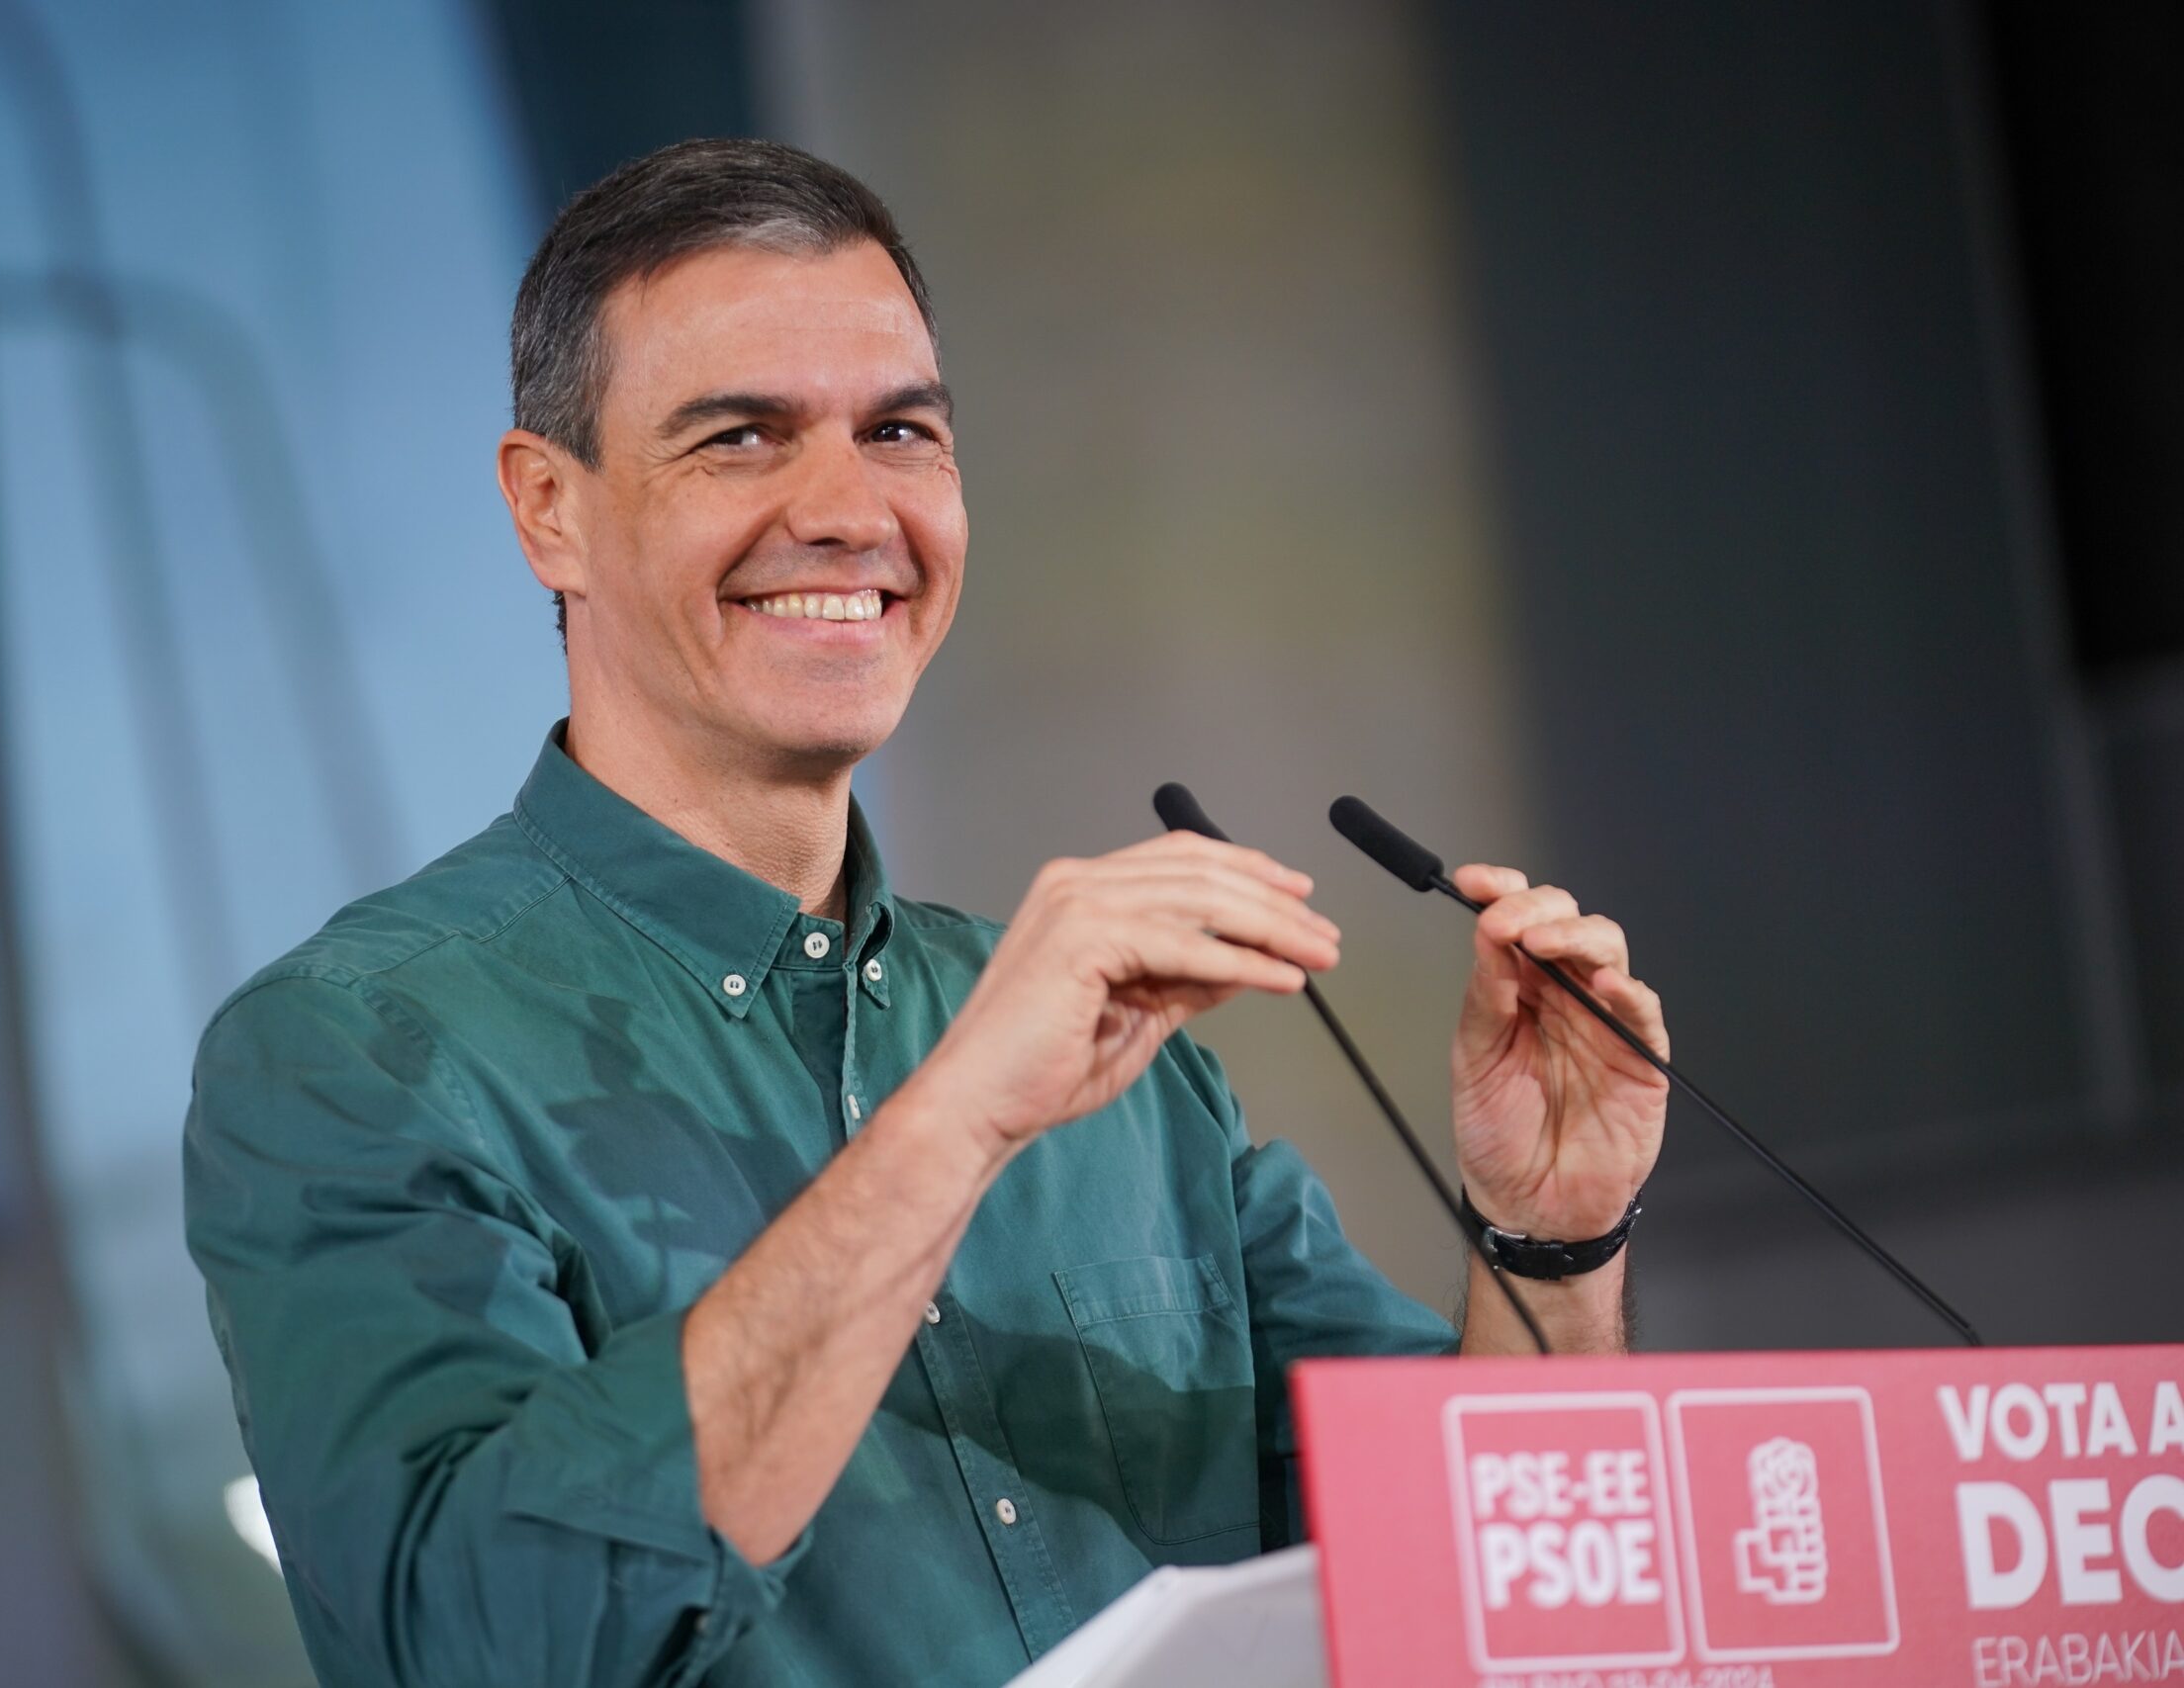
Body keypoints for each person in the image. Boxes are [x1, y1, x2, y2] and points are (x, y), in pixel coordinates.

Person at [183, 137, 1669, 1688]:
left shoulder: (1123, 1060)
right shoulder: (353, 1051)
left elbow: (1488, 1572)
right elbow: (479, 1640)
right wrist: (951, 1127)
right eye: (742, 438)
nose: (849, 510)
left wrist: (1550, 1235)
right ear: (550, 507)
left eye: (900, 430)